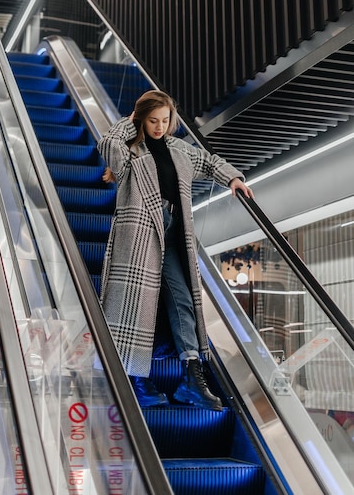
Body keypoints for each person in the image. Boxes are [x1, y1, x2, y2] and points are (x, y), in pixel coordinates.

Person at [98, 90, 253, 409]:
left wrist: (233, 179)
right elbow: (107, 145)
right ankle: (136, 380)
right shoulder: (130, 152)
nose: (159, 126)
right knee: (135, 308)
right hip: (140, 235)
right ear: (141, 119)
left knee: (182, 298)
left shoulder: (179, 149)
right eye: (152, 120)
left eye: (165, 120)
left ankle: (191, 378)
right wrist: (129, 124)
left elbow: (209, 162)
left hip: (174, 228)